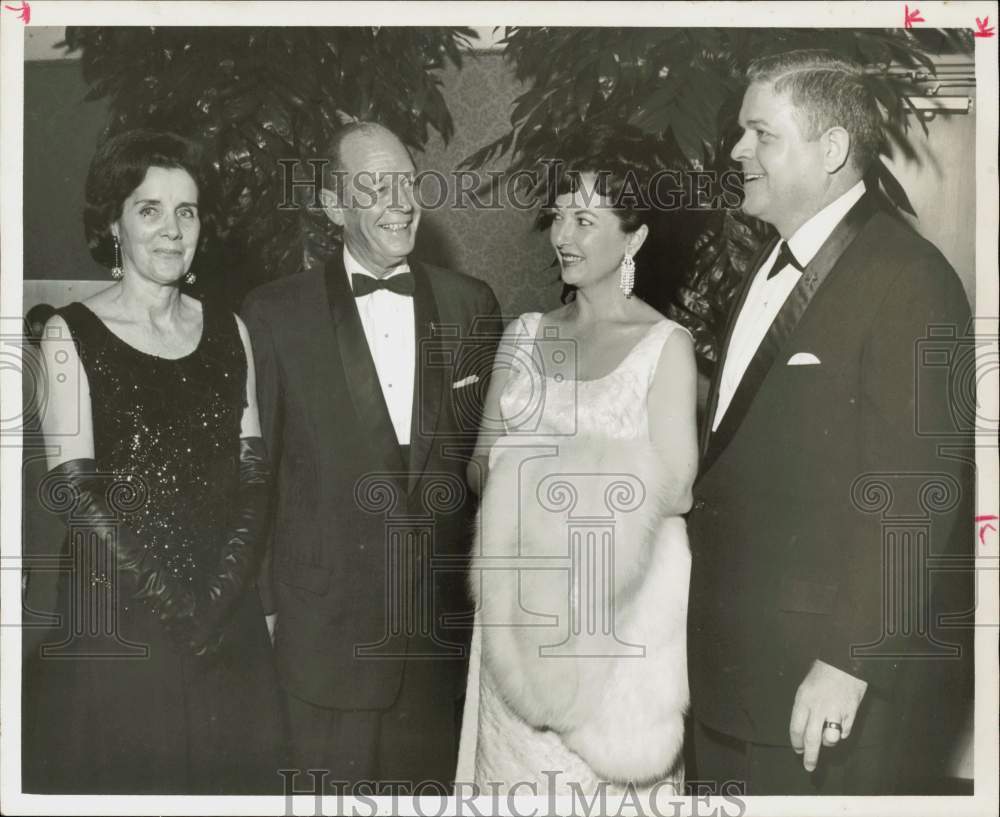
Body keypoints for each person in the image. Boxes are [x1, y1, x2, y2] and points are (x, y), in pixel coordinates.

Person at [687, 50, 974, 795]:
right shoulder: (766, 265)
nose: (736, 150)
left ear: (833, 149)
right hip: (731, 673)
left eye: (760, 133)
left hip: (816, 688)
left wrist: (850, 660)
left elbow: (916, 493)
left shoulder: (910, 279)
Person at [23, 129, 286, 794]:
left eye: (187, 211)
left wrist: (221, 594)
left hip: (225, 623)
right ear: (113, 223)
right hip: (121, 630)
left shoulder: (233, 330)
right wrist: (176, 603)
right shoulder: (68, 334)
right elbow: (75, 497)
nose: (172, 230)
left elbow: (254, 476)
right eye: (150, 210)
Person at [241, 122, 501, 788]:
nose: (400, 202)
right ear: (334, 206)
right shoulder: (274, 315)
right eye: (375, 187)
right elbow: (255, 479)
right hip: (323, 639)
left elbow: (486, 470)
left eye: (407, 184)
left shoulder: (472, 306)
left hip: (438, 642)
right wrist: (269, 610)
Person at [456, 126, 698, 798]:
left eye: (586, 219)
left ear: (634, 237)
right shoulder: (525, 336)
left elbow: (676, 486)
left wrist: (538, 470)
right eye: (560, 214)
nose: (564, 233)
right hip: (514, 625)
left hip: (614, 639)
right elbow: (479, 467)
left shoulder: (663, 346)